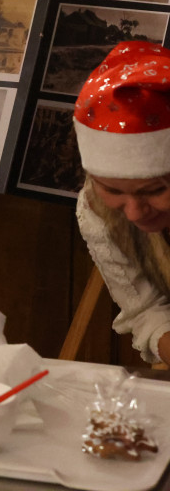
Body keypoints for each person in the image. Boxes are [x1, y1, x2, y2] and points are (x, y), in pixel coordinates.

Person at [73, 40, 170, 366]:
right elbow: (145, 311)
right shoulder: (96, 211)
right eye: (112, 190)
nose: (133, 212)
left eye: (155, 190)